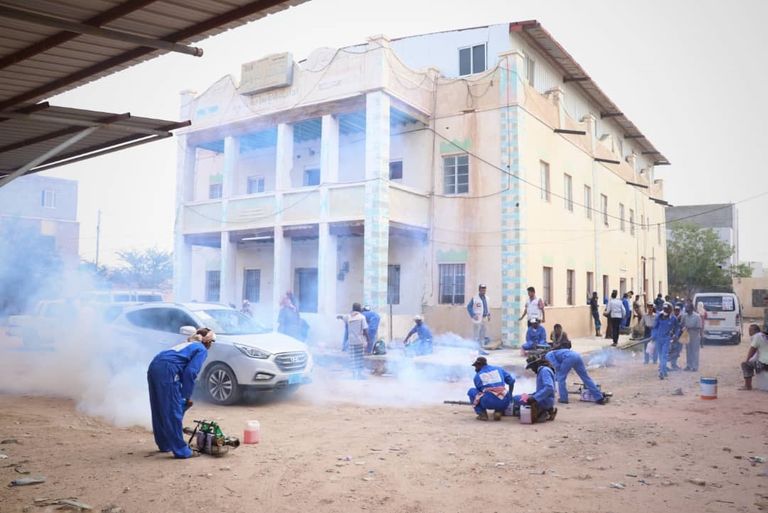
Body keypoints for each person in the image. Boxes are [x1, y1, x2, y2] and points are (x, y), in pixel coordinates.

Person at [147, 327, 216, 459]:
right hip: (168, 369)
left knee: (159, 407)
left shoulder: (187, 344)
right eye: (211, 342)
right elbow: (190, 372)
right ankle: (181, 450)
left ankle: (164, 443)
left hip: (155, 365)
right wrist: (185, 396)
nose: (211, 345)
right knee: (173, 410)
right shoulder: (201, 349)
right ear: (207, 342)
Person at [467, 356, 515, 421]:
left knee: (471, 391)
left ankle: (482, 414)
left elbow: (479, 392)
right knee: (500, 394)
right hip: (505, 402)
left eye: (476, 366)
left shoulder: (477, 376)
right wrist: (510, 394)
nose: (475, 368)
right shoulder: (499, 369)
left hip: (487, 402)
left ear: (479, 365)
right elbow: (511, 381)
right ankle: (498, 411)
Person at [512, 355, 557, 422]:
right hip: (547, 399)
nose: (532, 370)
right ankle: (547, 410)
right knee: (524, 396)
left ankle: (541, 411)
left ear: (536, 365)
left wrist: (535, 398)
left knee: (516, 398)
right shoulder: (544, 370)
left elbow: (549, 388)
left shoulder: (544, 371)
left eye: (532, 367)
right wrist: (532, 394)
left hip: (544, 401)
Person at [337, 303, 369, 379]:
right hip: (359, 341)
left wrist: (339, 316)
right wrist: (368, 339)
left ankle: (354, 374)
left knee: (353, 358)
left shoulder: (349, 317)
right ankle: (359, 374)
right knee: (359, 358)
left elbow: (342, 317)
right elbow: (365, 330)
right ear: (359, 309)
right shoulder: (362, 317)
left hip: (351, 341)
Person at [652, 302, 678, 380]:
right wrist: (654, 335)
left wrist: (675, 335)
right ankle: (664, 370)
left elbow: (677, 328)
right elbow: (655, 327)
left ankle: (662, 372)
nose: (665, 311)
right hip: (658, 339)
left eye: (667, 309)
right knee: (660, 356)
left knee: (664, 355)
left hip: (666, 339)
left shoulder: (673, 318)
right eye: (664, 309)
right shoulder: (659, 317)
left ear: (670, 310)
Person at [740, 324, 768, 390]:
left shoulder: (758, 336)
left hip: (765, 364)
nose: (749, 332)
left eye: (750, 330)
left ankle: (748, 386)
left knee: (745, 365)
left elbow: (752, 351)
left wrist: (747, 360)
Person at [466, 284, 491, 355]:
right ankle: (475, 349)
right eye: (482, 289)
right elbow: (469, 307)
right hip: (477, 319)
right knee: (476, 335)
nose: (483, 290)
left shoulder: (487, 298)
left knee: (482, 335)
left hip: (484, 318)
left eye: (484, 289)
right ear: (479, 290)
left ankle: (481, 349)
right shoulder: (475, 298)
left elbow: (487, 307)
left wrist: (489, 314)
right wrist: (473, 315)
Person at [680, 301, 703, 372]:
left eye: (688, 308)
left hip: (695, 336)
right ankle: (689, 365)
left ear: (692, 309)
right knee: (688, 351)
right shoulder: (684, 315)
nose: (686, 309)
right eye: (686, 307)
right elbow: (681, 324)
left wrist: (690, 327)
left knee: (695, 351)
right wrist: (683, 327)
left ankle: (695, 366)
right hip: (687, 335)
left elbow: (699, 327)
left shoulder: (697, 316)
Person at [667, 305, 684, 371]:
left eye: (678, 310)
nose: (676, 311)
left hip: (679, 337)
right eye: (675, 310)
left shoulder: (682, 317)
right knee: (670, 351)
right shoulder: (671, 318)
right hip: (671, 337)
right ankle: (669, 365)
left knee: (677, 351)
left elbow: (680, 327)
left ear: (679, 311)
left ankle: (674, 364)